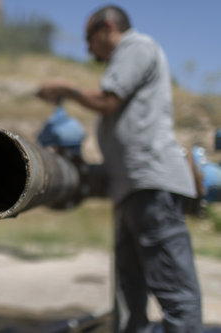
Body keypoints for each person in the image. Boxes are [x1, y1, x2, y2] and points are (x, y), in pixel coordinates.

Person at [36, 5, 203, 333]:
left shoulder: (136, 47)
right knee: (129, 290)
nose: (88, 49)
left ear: (108, 28)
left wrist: (66, 89)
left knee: (173, 289)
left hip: (151, 184)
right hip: (132, 189)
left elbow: (107, 100)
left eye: (89, 39)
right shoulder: (130, 55)